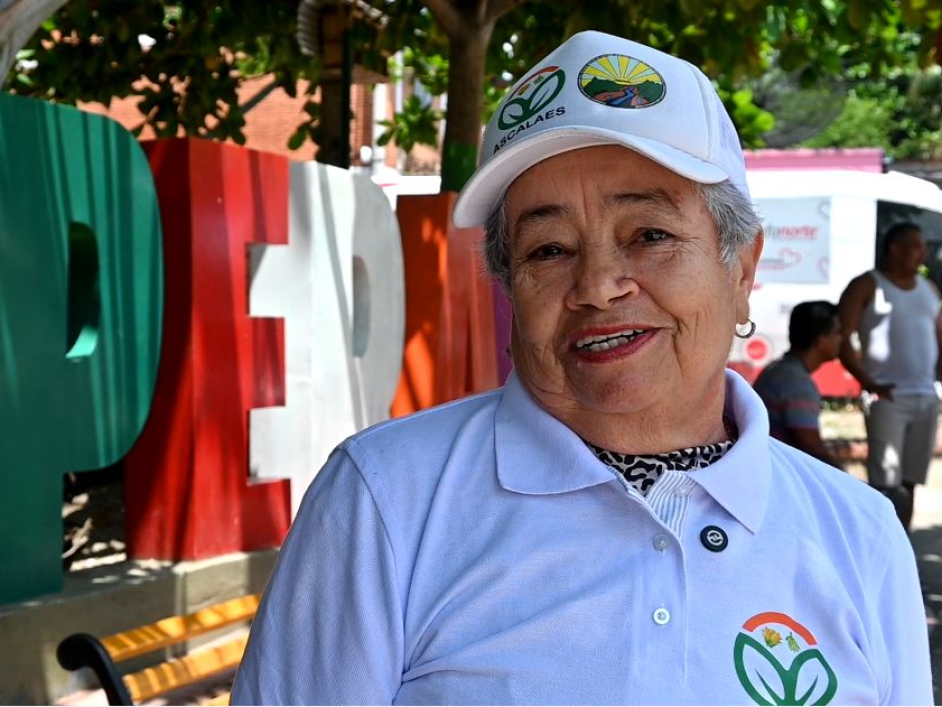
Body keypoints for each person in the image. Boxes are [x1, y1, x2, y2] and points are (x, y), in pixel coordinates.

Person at [232, 31, 930, 705]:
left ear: (741, 268)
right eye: (548, 249)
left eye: (650, 235)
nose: (598, 283)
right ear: (510, 290)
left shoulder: (859, 536)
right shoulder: (385, 502)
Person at [838, 222, 942, 530]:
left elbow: (939, 338)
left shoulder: (929, 288)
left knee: (910, 483)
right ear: (895, 248)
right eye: (916, 246)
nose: (922, 253)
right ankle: (879, 553)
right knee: (886, 486)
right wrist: (867, 382)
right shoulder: (868, 285)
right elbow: (841, 337)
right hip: (887, 398)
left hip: (926, 397)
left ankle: (903, 554)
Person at [753, 300, 843, 468]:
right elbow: (810, 445)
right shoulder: (797, 382)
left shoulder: (780, 370)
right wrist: (846, 479)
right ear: (821, 341)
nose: (842, 339)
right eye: (837, 333)